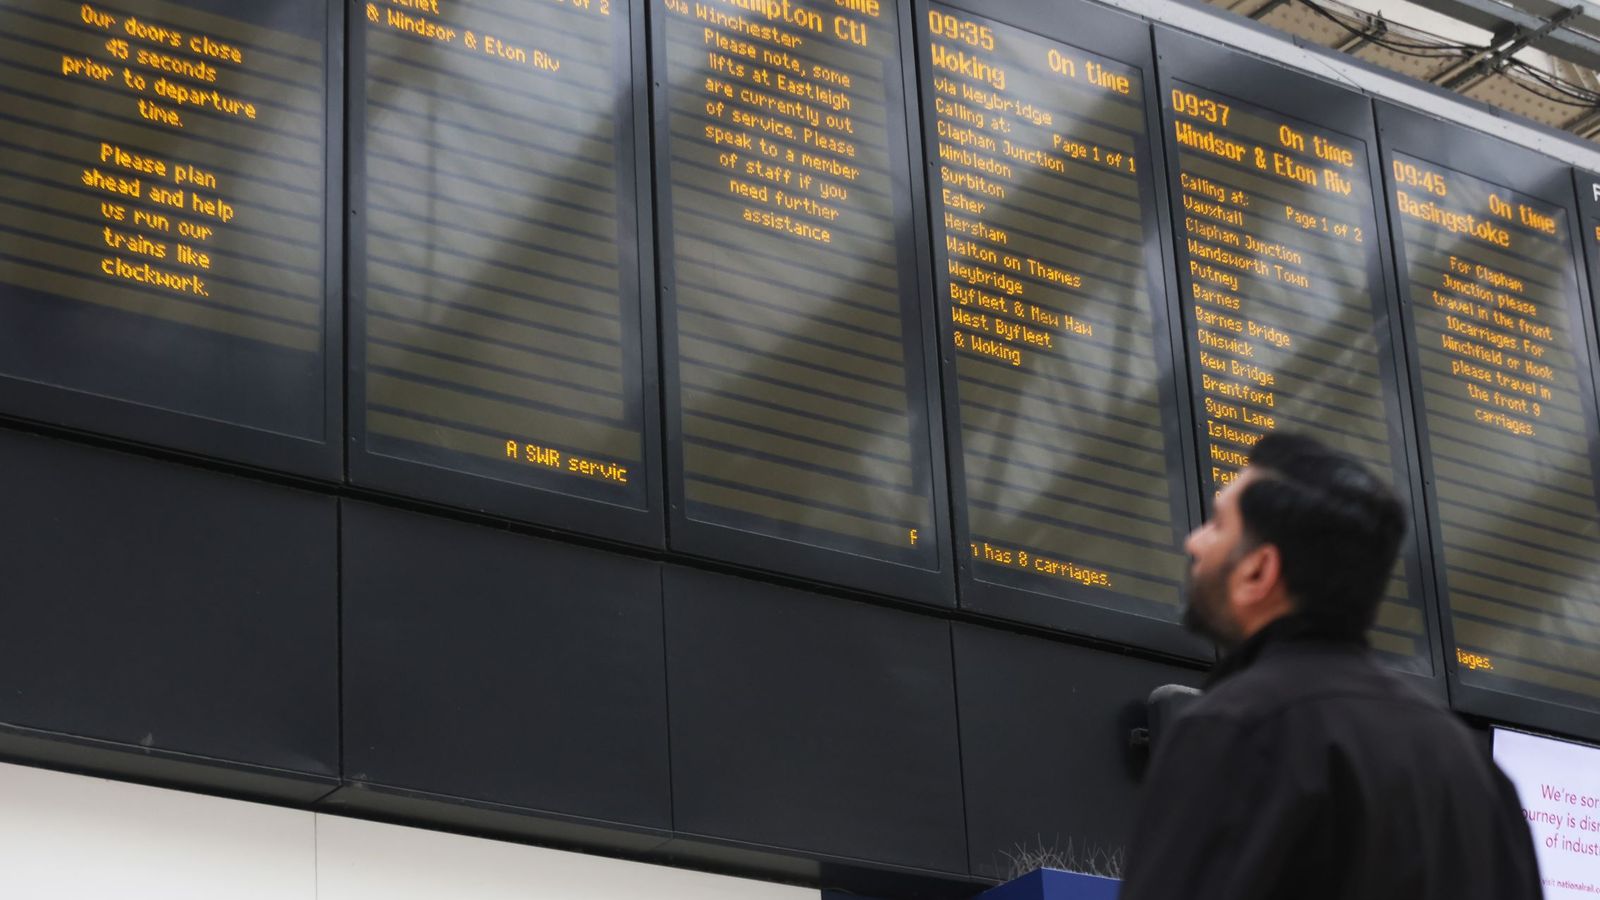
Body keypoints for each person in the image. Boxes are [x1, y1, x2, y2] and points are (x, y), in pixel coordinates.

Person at [1120, 433, 1540, 900]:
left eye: (1218, 525)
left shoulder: (1239, 731)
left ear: (1260, 571)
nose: (1194, 542)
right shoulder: (1481, 779)